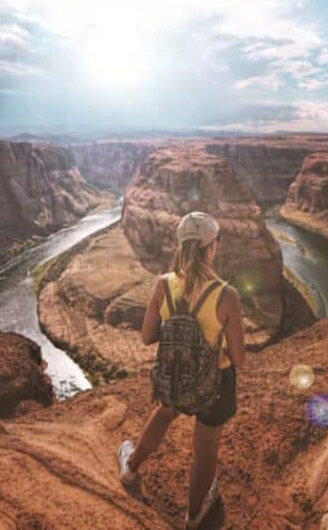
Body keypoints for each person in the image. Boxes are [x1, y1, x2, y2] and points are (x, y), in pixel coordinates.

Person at [117, 210, 246, 529]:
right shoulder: (226, 295)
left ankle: (131, 468)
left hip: (175, 376)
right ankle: (192, 517)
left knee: (165, 412)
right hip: (214, 386)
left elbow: (148, 336)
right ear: (211, 247)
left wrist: (179, 336)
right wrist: (208, 344)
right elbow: (239, 358)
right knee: (205, 452)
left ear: (181, 246)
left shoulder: (163, 285)